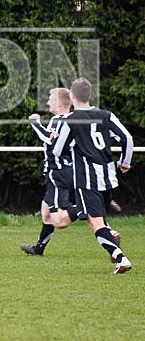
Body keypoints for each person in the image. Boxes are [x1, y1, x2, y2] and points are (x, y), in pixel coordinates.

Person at [51, 77, 134, 274]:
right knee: (94, 218)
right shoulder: (106, 115)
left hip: (87, 179)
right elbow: (127, 138)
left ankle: (120, 258)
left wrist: (58, 140)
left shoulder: (71, 120)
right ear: (89, 95)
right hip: (107, 177)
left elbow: (58, 150)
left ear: (72, 96)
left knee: (95, 222)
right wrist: (125, 162)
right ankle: (111, 235)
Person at [20, 88, 79, 256]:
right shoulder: (69, 120)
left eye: (50, 99)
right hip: (65, 171)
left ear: (60, 103)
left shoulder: (59, 119)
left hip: (58, 173)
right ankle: (39, 248)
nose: (47, 103)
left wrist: (35, 123)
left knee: (58, 219)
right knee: (45, 211)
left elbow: (49, 139)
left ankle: (89, 208)